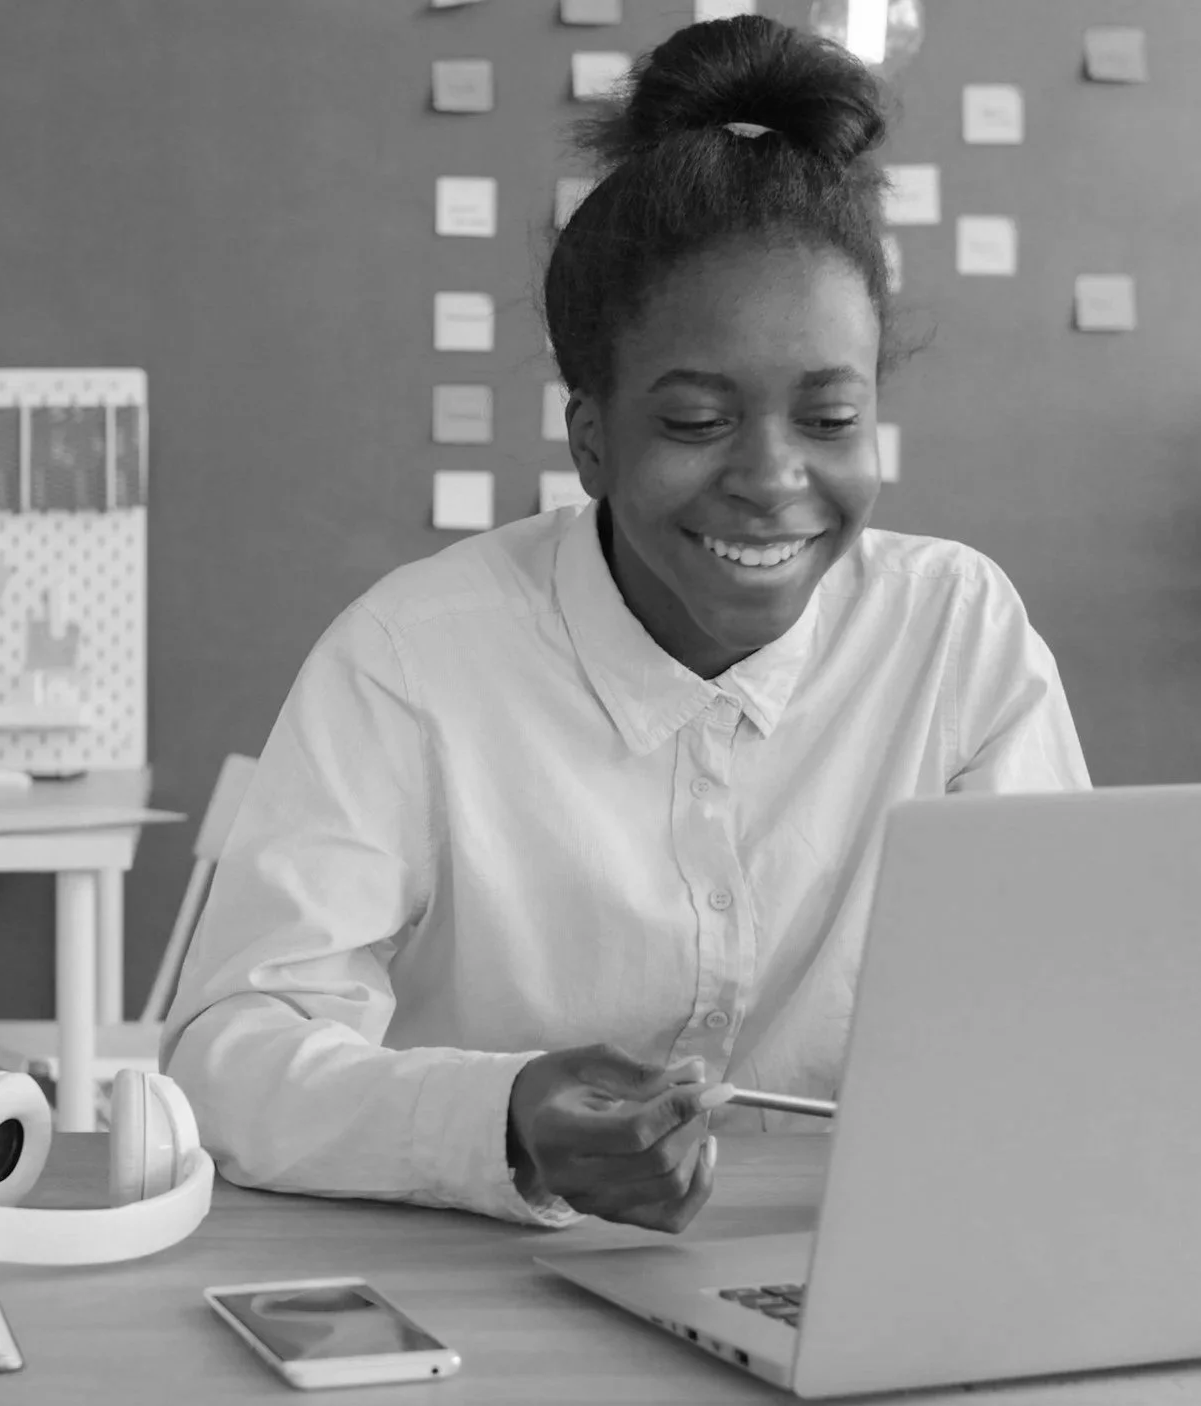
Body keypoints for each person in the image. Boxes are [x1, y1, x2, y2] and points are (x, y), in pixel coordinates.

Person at [161, 14, 1090, 1234]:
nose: (772, 480)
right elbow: (228, 1053)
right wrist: (499, 1119)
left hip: (853, 1268)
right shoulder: (414, 659)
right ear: (589, 438)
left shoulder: (954, 633)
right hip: (487, 1286)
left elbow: (1069, 1005)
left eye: (828, 419)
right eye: (697, 421)